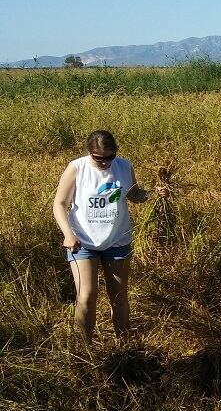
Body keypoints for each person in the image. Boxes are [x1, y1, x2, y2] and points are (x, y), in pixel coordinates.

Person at [52, 130, 160, 344]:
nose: (104, 163)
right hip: (82, 242)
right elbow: (59, 204)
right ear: (89, 152)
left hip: (117, 239)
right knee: (87, 295)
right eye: (99, 158)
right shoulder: (77, 168)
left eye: (109, 157)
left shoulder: (124, 166)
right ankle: (86, 349)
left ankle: (125, 346)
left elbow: (134, 195)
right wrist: (68, 235)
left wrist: (154, 193)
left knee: (119, 296)